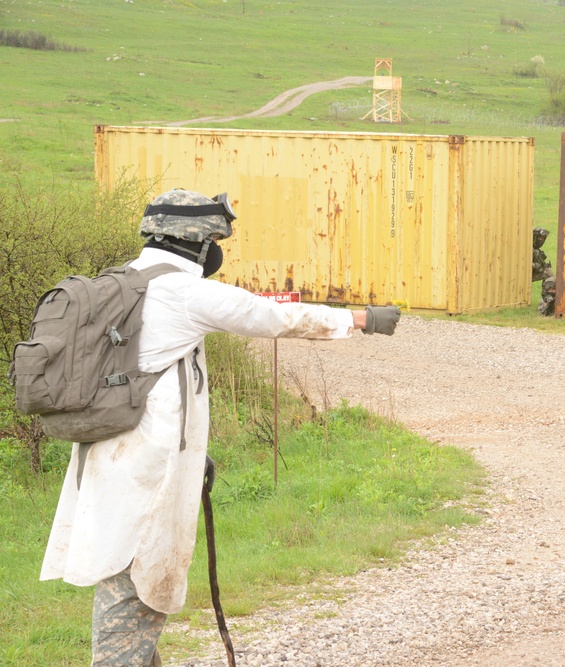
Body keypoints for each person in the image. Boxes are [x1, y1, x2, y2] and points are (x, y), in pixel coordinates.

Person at [39, 188, 401, 666]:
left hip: (112, 456)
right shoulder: (183, 290)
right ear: (198, 242)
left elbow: (163, 380)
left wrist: (191, 453)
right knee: (137, 587)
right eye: (214, 240)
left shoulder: (127, 279)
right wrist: (357, 318)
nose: (217, 251)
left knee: (127, 581)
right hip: (147, 471)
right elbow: (272, 317)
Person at [532, 226, 556, 316]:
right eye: (539, 238)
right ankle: (546, 305)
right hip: (529, 273)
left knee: (550, 277)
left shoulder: (536, 250)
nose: (540, 240)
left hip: (536, 272)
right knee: (548, 275)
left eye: (542, 238)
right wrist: (536, 265)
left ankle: (548, 302)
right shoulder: (530, 249)